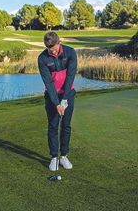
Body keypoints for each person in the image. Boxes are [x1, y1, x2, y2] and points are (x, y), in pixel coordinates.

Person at [38, 31, 77, 171]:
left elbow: (70, 77)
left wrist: (64, 100)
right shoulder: (42, 58)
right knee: (53, 126)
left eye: (54, 49)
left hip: (68, 93)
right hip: (51, 96)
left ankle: (64, 156)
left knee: (66, 126)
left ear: (59, 43)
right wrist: (56, 103)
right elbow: (48, 82)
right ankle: (54, 157)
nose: (52, 52)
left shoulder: (70, 52)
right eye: (49, 50)